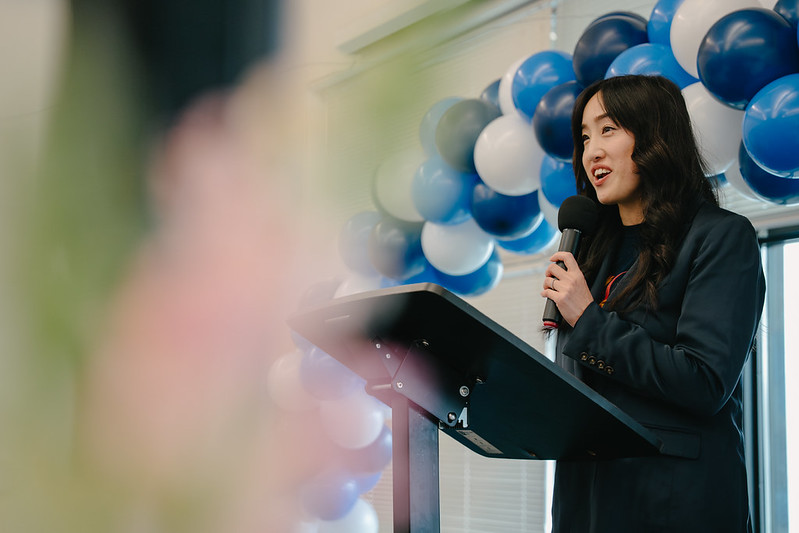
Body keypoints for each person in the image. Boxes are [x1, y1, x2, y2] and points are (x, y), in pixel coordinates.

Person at [540, 75, 765, 533]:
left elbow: (704, 381)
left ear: (656, 136)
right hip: (584, 501)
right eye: (585, 137)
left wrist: (588, 318)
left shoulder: (720, 237)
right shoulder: (590, 249)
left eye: (608, 130)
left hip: (673, 502)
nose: (591, 152)